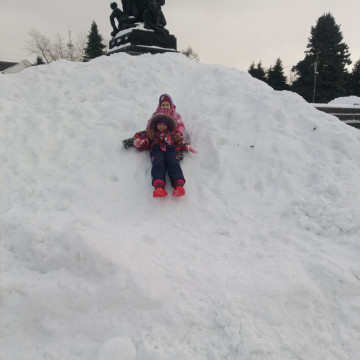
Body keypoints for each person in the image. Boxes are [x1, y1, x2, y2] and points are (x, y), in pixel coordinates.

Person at [133, 109, 197, 197]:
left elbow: (180, 141)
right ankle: (159, 186)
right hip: (157, 151)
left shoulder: (172, 133)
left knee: (174, 164)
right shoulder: (153, 134)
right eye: (159, 124)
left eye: (164, 125)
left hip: (170, 150)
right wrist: (139, 143)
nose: (162, 127)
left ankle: (178, 184)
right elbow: (145, 142)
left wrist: (187, 146)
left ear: (168, 125)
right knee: (157, 165)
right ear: (156, 125)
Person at [123, 93, 186, 159]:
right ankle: (133, 141)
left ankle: (177, 153)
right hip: (157, 132)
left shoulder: (174, 114)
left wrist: (179, 133)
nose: (165, 107)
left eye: (167, 105)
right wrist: (150, 130)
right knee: (145, 135)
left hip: (170, 134)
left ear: (171, 105)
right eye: (163, 105)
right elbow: (150, 122)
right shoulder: (156, 113)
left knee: (177, 141)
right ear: (160, 106)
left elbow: (180, 124)